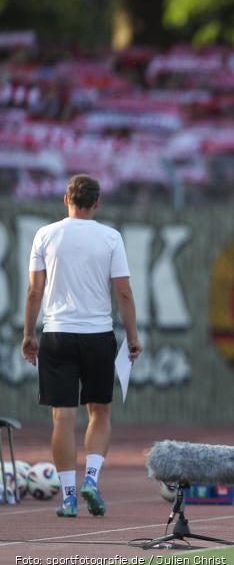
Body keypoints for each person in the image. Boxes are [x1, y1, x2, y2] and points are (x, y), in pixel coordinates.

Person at [21, 175, 142, 518]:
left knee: (62, 417)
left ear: (66, 199)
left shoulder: (45, 234)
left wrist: (29, 334)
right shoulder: (111, 237)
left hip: (57, 334)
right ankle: (91, 477)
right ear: (97, 203)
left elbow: (34, 291)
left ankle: (69, 498)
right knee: (99, 412)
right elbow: (124, 293)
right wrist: (133, 336)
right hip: (98, 335)